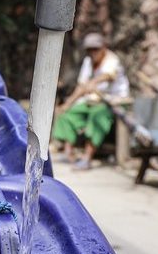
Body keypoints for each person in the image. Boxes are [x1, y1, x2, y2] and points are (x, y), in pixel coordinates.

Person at [53, 33, 130, 169]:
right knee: (68, 114)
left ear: (103, 48)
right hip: (91, 101)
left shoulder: (112, 60)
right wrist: (67, 104)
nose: (93, 53)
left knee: (97, 116)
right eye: (90, 50)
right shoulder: (88, 62)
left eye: (96, 49)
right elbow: (81, 86)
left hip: (112, 101)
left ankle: (87, 158)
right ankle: (68, 152)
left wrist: (93, 82)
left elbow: (108, 75)